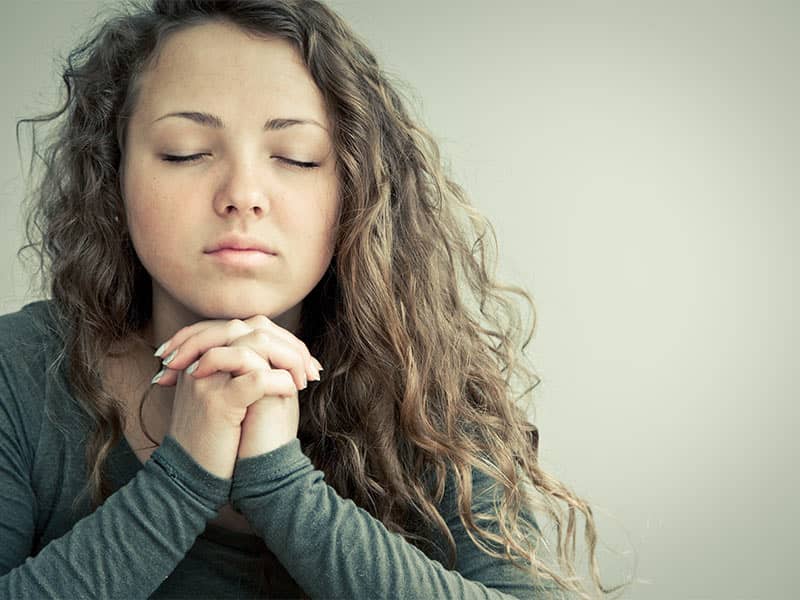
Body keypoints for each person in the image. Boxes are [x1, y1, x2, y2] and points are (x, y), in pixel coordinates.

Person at [1, 0, 627, 598]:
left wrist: (278, 479)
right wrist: (182, 477)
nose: (243, 194)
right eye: (185, 152)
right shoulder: (18, 372)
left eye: (297, 158)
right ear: (115, 175)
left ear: (353, 186)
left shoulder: (425, 386)